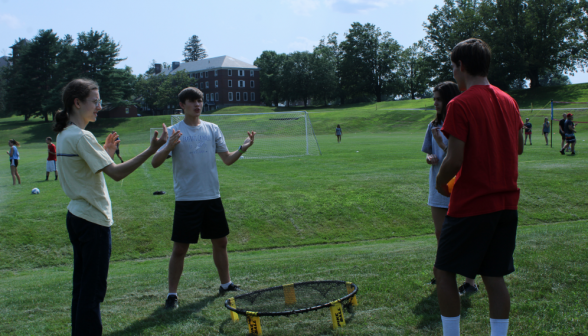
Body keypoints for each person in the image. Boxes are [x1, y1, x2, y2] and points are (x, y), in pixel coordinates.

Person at [54, 78, 168, 336]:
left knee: (82, 287)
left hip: (77, 216)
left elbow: (86, 168)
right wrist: (151, 149)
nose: (99, 107)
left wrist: (104, 151)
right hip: (92, 221)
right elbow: (116, 173)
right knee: (92, 291)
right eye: (95, 101)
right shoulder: (82, 136)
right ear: (77, 102)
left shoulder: (64, 134)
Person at [434, 38, 524, 336]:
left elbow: (454, 158)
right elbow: (519, 147)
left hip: (472, 203)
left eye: (453, 68)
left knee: (444, 272)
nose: (455, 74)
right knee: (494, 276)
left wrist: (440, 181)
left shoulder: (459, 103)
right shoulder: (509, 101)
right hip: (506, 204)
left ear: (461, 66)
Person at [151, 87, 256, 310]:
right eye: (192, 101)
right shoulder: (173, 131)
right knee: (180, 249)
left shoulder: (212, 128)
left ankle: (226, 284)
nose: (197, 105)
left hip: (212, 196)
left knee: (221, 242)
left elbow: (226, 159)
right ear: (182, 105)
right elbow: (155, 162)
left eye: (200, 101)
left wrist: (242, 148)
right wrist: (168, 146)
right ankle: (172, 295)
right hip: (187, 199)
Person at [422, 81, 478, 295]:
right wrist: (430, 157)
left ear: (450, 100)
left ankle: (470, 282)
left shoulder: (461, 123)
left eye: (439, 99)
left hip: (460, 187)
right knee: (441, 234)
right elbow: (429, 152)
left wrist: (443, 145)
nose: (435, 103)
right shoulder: (433, 125)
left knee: (464, 235)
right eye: (434, 99)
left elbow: (463, 158)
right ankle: (444, 275)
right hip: (438, 186)